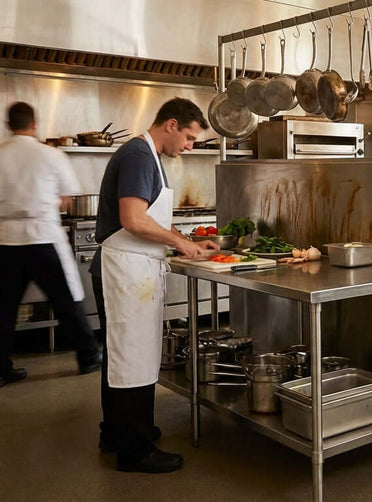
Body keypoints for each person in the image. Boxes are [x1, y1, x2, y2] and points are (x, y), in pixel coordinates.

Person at [89, 98, 216, 473]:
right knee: (133, 356)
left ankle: (117, 433)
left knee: (124, 355)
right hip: (124, 270)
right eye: (191, 138)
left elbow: (149, 217)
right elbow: (132, 219)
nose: (190, 146)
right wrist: (178, 242)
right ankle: (135, 450)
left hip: (131, 268)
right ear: (172, 124)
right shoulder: (139, 156)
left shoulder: (146, 155)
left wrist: (185, 238)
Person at [0, 102, 102, 387]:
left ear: (9, 125)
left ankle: (0, 369)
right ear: (34, 125)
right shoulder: (50, 154)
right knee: (65, 300)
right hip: (42, 237)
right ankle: (88, 357)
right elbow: (68, 198)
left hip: (5, 239)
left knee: (4, 308)